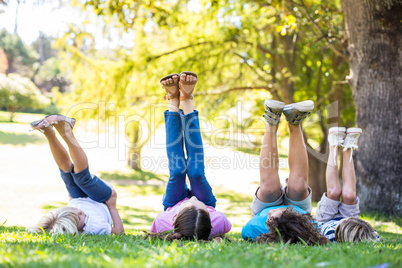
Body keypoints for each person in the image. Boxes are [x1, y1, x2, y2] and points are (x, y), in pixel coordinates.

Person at [149, 72, 231, 241]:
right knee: (195, 172)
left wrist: (181, 206)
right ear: (208, 215)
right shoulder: (218, 220)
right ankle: (186, 100)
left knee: (178, 170)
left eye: (189, 203)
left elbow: (155, 230)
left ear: (175, 218)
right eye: (197, 203)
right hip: (206, 201)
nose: (193, 197)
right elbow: (225, 229)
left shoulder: (163, 221)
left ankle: (173, 100)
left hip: (172, 204)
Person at [241, 99, 328, 245]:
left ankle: (271, 121)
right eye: (274, 218)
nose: (271, 214)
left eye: (269, 220)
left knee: (268, 187)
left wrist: (270, 220)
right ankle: (294, 121)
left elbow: (246, 232)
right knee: (299, 186)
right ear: (290, 218)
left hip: (264, 205)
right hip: (299, 210)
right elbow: (322, 233)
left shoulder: (255, 227)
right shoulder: (305, 225)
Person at [26, 115, 124, 235]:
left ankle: (48, 132)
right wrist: (112, 205)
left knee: (66, 171)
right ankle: (67, 132)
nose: (80, 212)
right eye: (79, 219)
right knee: (82, 179)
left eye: (72, 211)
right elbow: (119, 232)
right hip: (101, 199)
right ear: (78, 230)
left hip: (77, 197)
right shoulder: (94, 228)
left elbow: (72, 212)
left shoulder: (65, 218)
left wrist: (72, 203)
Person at [316, 127, 379, 243]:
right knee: (349, 195)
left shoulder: (330, 236)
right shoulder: (368, 238)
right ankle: (348, 147)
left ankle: (333, 144)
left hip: (326, 220)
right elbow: (375, 235)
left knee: (334, 192)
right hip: (352, 222)